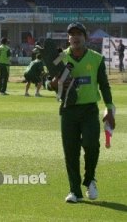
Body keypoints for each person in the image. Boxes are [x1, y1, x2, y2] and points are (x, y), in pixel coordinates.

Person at [49, 22, 115, 203]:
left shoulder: (96, 58)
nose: (75, 37)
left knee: (91, 144)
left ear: (85, 37)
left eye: (79, 34)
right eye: (72, 34)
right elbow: (50, 83)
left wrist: (110, 108)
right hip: (68, 110)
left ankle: (90, 179)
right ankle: (74, 190)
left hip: (89, 110)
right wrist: (54, 84)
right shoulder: (59, 58)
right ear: (68, 38)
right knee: (70, 151)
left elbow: (104, 85)